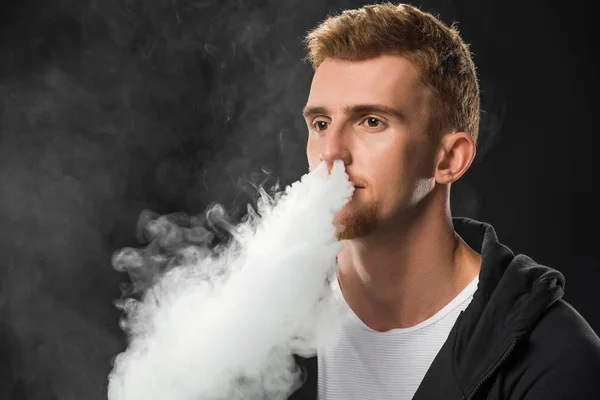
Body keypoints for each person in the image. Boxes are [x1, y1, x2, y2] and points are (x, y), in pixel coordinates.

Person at [290, 3, 600, 400]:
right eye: (320, 124)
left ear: (449, 159)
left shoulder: (554, 360)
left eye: (371, 121)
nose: (330, 153)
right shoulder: (263, 321)